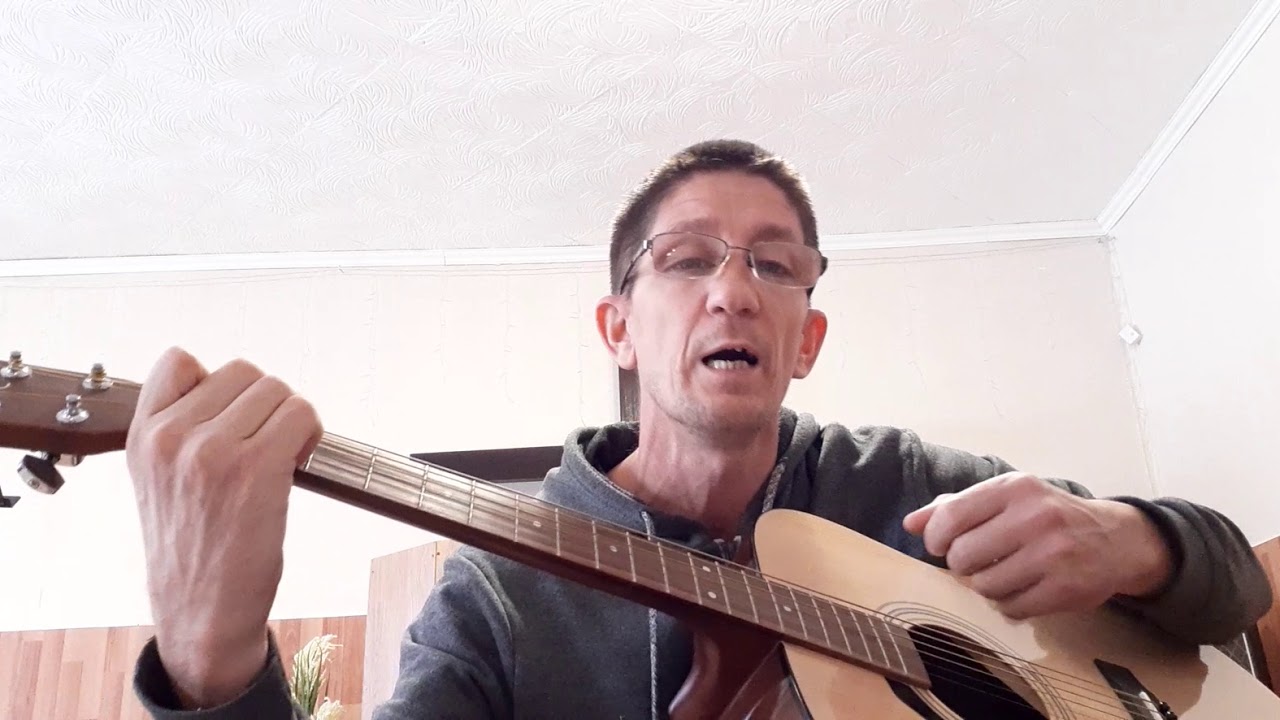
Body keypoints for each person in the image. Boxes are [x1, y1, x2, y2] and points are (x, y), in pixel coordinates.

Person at [128, 140, 1271, 719]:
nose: (733, 291)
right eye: (685, 261)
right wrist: (207, 669)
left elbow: (1233, 594)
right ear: (618, 329)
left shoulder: (915, 483)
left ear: (805, 339)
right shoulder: (491, 603)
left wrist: (1141, 543)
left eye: (773, 265)